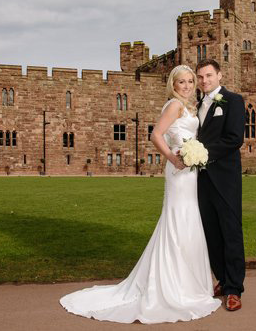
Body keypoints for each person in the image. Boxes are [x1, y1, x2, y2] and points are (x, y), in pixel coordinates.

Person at [59, 64, 221, 324]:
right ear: (173, 84)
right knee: (178, 220)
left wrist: (194, 155)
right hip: (180, 170)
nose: (188, 85)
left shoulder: (188, 106)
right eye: (182, 82)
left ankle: (187, 284)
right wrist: (172, 157)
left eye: (191, 81)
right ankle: (174, 287)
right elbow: (156, 135)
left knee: (187, 220)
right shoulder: (174, 106)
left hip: (190, 171)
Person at [195, 59, 246, 312]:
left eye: (209, 76)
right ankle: (223, 280)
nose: (205, 81)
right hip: (202, 180)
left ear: (219, 75)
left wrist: (202, 152)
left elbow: (235, 139)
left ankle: (235, 288)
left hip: (225, 178)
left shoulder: (233, 101)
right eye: (201, 77)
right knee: (210, 232)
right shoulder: (197, 104)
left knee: (230, 231)